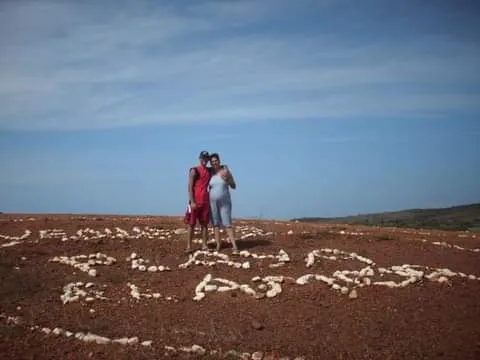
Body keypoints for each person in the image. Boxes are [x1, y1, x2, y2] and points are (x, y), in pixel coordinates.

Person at [208, 153, 239, 253]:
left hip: (225, 202)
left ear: (219, 160)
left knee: (227, 223)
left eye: (216, 161)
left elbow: (234, 186)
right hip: (213, 202)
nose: (214, 163)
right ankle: (218, 245)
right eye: (212, 162)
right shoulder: (210, 173)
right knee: (215, 224)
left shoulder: (225, 171)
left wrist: (228, 180)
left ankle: (234, 246)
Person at [185, 150, 212, 254]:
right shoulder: (194, 170)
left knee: (204, 224)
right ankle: (189, 246)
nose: (204, 160)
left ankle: (204, 245)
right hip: (195, 201)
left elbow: (219, 168)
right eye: (203, 158)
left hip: (205, 202)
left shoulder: (210, 171)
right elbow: (190, 187)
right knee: (191, 224)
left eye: (206, 158)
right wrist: (192, 201)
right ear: (200, 159)